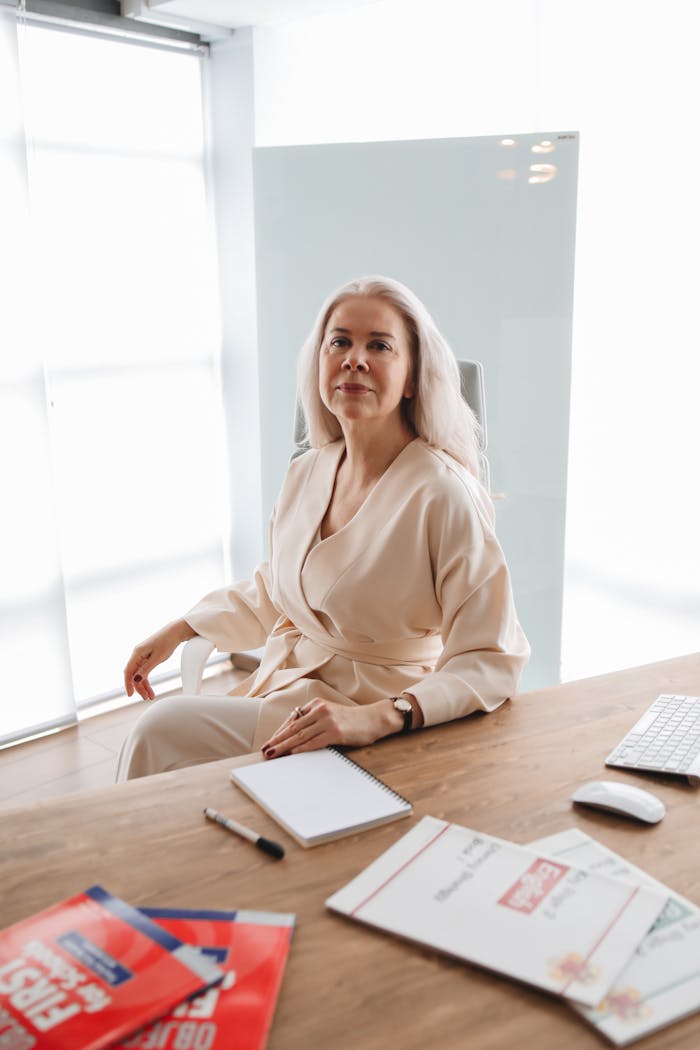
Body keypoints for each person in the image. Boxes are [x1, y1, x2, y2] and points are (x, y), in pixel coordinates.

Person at [117, 276, 529, 781]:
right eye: (340, 342)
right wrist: (180, 629)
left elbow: (492, 657)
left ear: (412, 378)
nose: (354, 358)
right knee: (171, 763)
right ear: (320, 363)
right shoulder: (308, 471)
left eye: (379, 345)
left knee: (159, 729)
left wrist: (382, 716)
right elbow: (277, 590)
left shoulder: (444, 493)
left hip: (371, 714)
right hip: (290, 690)